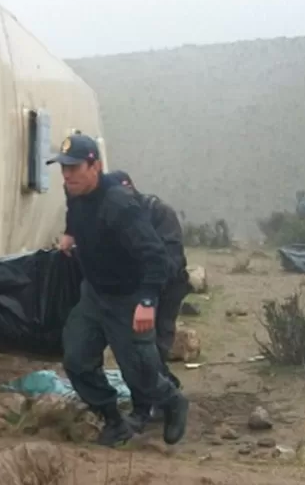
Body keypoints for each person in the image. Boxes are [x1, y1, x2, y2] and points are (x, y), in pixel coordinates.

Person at [49, 135, 189, 447]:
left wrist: (147, 302)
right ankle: (114, 421)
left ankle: (172, 401)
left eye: (74, 168)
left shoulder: (120, 205)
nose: (67, 175)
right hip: (94, 294)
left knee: (140, 373)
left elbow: (155, 256)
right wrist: (71, 234)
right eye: (63, 168)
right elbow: (75, 210)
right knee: (76, 359)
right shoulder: (74, 190)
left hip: (129, 297)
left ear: (95, 166)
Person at [108, 170, 191, 429]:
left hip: (167, 289)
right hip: (136, 290)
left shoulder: (160, 213)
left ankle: (158, 402)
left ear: (131, 187)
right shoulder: (116, 216)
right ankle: (155, 398)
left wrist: (151, 285)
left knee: (156, 346)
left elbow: (172, 259)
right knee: (134, 349)